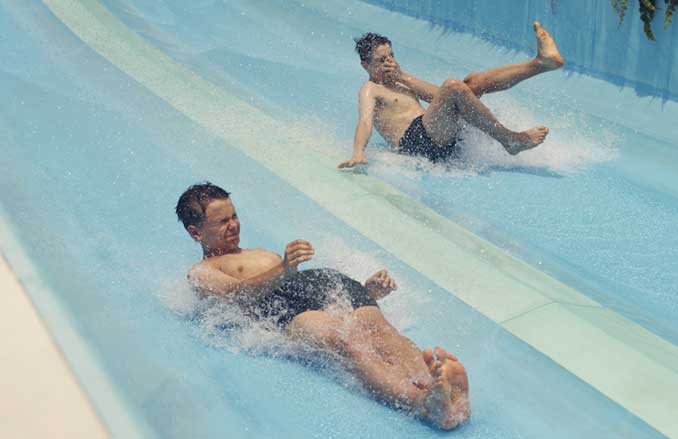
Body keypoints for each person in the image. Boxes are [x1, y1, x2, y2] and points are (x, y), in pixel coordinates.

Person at [176, 182, 470, 430]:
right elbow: (237, 293)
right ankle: (421, 403)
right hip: (282, 305)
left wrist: (368, 291)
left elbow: (297, 279)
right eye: (222, 221)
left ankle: (442, 392)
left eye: (235, 215)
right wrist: (283, 269)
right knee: (347, 341)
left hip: (324, 283)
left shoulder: (259, 252)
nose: (234, 225)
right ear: (196, 233)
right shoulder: (201, 272)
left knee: (383, 333)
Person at [338, 22, 564, 168]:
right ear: (365, 65)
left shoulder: (401, 79)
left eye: (391, 56)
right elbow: (365, 121)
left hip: (434, 133)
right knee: (454, 86)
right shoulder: (370, 89)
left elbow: (440, 97)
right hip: (416, 144)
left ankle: (540, 64)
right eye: (381, 60)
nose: (390, 63)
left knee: (471, 83)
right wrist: (358, 152)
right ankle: (510, 139)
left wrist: (403, 76)